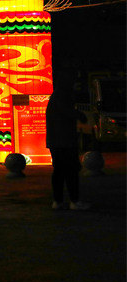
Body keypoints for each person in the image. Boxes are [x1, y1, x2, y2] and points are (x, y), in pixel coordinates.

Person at [46, 69, 90, 210]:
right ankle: (74, 200)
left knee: (59, 171)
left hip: (55, 140)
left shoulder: (56, 95)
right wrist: (80, 115)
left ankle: (58, 201)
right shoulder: (63, 96)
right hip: (65, 140)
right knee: (71, 171)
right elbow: (67, 112)